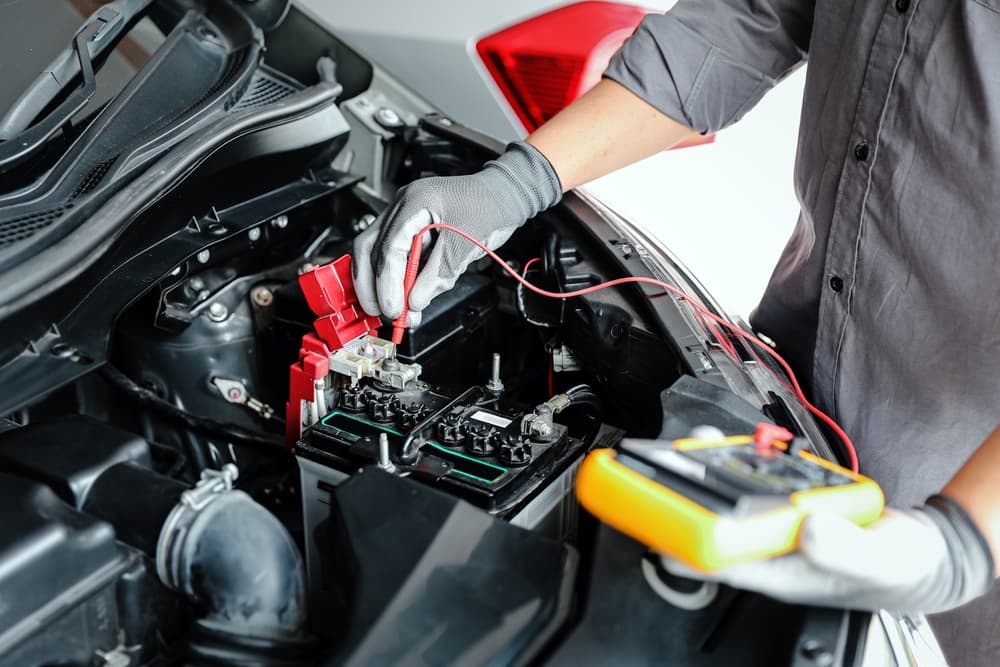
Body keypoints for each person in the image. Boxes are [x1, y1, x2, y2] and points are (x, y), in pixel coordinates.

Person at [352, 2, 1000, 664]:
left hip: (963, 514)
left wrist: (960, 545)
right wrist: (521, 180)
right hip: (794, 385)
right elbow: (753, 18)